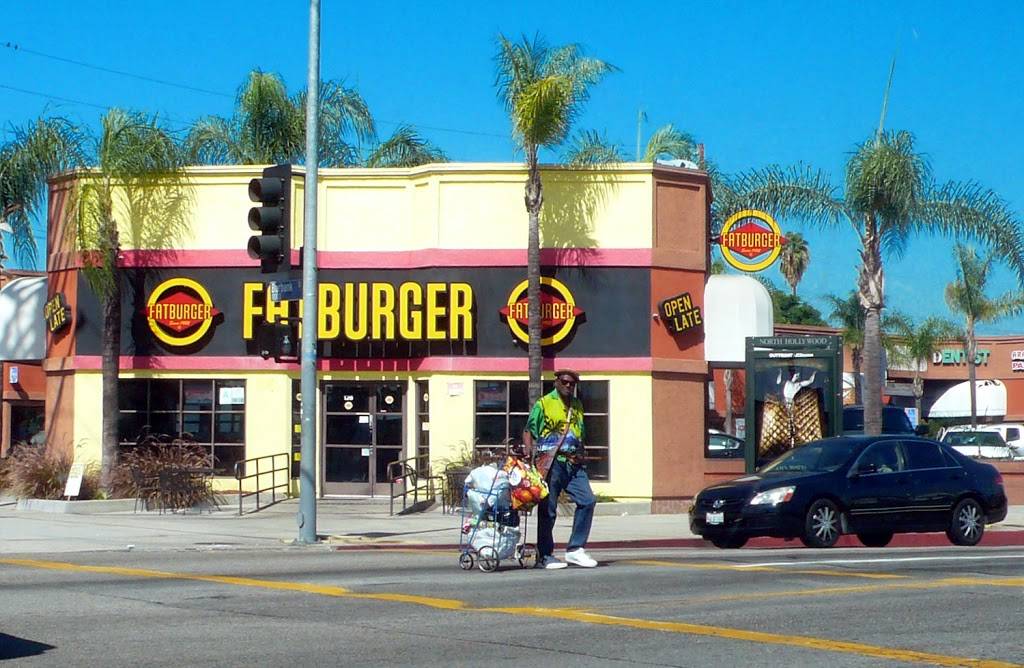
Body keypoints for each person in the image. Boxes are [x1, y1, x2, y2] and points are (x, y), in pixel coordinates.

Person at [522, 369, 598, 569]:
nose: (568, 386)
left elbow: (580, 433)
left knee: (588, 500)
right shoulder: (544, 403)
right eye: (564, 382)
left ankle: (575, 550)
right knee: (548, 509)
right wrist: (528, 451)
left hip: (574, 463)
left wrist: (582, 453)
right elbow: (529, 430)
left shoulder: (577, 405)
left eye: (572, 383)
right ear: (556, 382)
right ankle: (545, 555)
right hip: (552, 463)